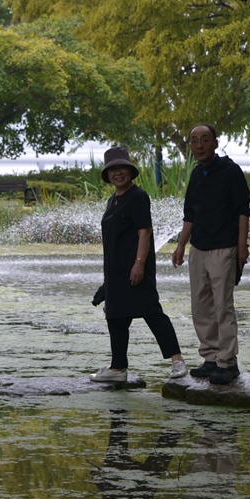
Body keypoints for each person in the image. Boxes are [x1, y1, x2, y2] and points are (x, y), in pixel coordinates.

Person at [90, 147, 188, 382]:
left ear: (130, 171)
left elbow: (145, 232)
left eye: (121, 168)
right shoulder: (113, 200)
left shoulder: (138, 197)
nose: (117, 173)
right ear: (107, 174)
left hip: (135, 267)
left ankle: (177, 361)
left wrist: (139, 264)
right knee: (115, 317)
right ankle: (117, 369)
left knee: (151, 312)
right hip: (114, 270)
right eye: (112, 169)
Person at [171, 124, 250, 385]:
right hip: (198, 249)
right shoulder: (196, 174)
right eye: (194, 141)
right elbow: (190, 215)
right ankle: (210, 357)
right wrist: (181, 246)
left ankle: (227, 362)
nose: (199, 145)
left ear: (216, 143)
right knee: (201, 306)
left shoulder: (230, 171)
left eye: (205, 139)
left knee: (222, 307)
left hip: (224, 248)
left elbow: (243, 211)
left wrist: (242, 247)